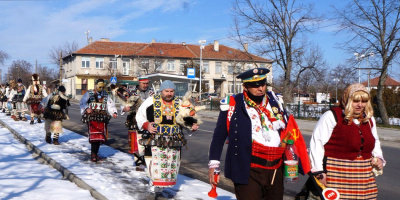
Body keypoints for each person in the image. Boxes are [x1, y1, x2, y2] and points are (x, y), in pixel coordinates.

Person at [208, 68, 288, 200]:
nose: (260, 89)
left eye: (263, 84)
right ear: (245, 86)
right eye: (255, 86)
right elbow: (219, 136)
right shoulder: (233, 104)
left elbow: (288, 129)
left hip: (275, 168)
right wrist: (214, 165)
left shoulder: (275, 101)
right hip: (248, 168)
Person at [309, 83, 385, 199]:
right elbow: (317, 142)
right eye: (355, 101)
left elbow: (375, 141)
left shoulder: (369, 119)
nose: (360, 105)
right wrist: (319, 171)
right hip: (337, 172)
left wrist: (378, 157)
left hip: (364, 174)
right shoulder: (332, 115)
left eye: (363, 101)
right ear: (347, 99)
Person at [136, 80, 199, 189]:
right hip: (154, 140)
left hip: (173, 142)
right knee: (154, 165)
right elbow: (139, 115)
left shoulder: (179, 103)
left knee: (170, 167)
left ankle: (163, 187)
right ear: (161, 91)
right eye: (166, 91)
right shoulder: (151, 101)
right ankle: (154, 184)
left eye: (171, 91)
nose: (169, 93)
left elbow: (185, 121)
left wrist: (191, 127)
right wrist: (146, 125)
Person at [80, 79, 118, 162]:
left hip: (102, 117)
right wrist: (87, 108)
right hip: (93, 117)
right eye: (99, 86)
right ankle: (93, 154)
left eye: (102, 87)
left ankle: (95, 154)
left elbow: (110, 105)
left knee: (100, 136)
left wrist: (113, 112)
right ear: (96, 85)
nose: (101, 88)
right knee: (94, 136)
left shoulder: (106, 94)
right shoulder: (89, 93)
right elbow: (82, 102)